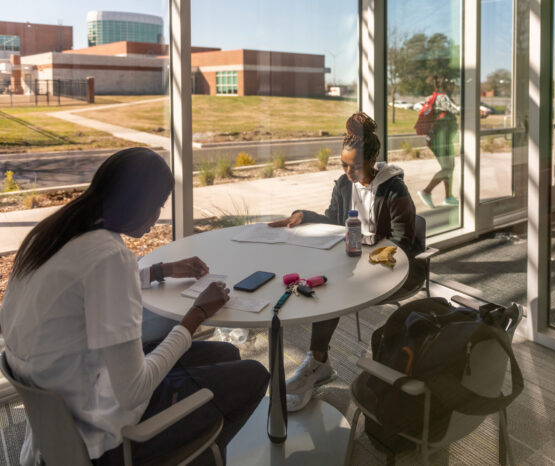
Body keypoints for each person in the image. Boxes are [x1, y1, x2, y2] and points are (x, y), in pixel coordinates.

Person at [0, 147, 269, 465]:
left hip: (65, 414)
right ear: (137, 203)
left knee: (226, 354)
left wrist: (159, 271)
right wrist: (196, 314)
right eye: (157, 205)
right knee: (253, 374)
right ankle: (192, 455)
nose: (158, 215)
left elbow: (81, 287)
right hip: (103, 436)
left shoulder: (53, 234)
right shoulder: (110, 256)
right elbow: (134, 390)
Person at [268, 113, 422, 412]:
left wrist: (371, 249)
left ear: (373, 158)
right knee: (322, 283)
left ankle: (317, 362)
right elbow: (334, 221)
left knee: (333, 288)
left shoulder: (394, 189)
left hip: (393, 269)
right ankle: (319, 361)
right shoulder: (343, 183)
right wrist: (305, 215)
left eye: (355, 166)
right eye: (343, 164)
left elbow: (405, 244)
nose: (348, 172)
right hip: (356, 263)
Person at [417, 75, 460, 208]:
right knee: (448, 168)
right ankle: (426, 192)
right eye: (452, 84)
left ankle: (448, 196)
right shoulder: (442, 97)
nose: (453, 86)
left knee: (448, 168)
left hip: (440, 138)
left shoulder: (433, 97)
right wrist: (477, 111)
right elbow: (456, 110)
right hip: (440, 139)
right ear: (445, 85)